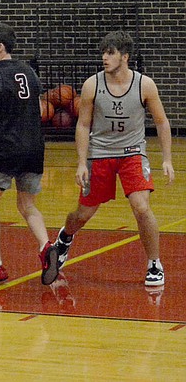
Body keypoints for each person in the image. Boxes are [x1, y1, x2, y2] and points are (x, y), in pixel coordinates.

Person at [52, 30, 174, 287]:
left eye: (110, 53)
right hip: (101, 153)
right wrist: (81, 162)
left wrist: (167, 159)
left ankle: (154, 263)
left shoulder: (145, 84)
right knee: (82, 214)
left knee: (141, 207)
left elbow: (162, 123)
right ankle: (64, 238)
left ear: (125, 56)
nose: (105, 58)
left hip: (132, 153)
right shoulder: (92, 85)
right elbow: (83, 125)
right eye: (103, 53)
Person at [0, 22, 58, 285]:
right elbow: (36, 107)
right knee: (27, 205)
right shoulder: (29, 71)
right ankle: (45, 247)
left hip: (7, 148)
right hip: (34, 148)